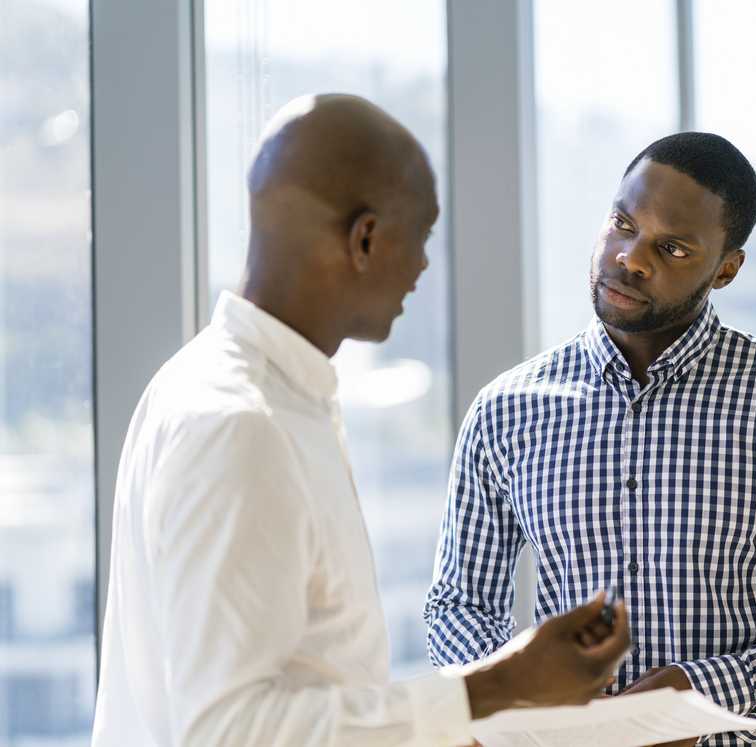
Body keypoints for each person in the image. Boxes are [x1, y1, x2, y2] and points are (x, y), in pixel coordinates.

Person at [91, 93, 630, 747]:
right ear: (366, 238)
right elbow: (229, 731)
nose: (424, 267)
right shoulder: (242, 425)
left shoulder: (232, 391)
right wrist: (495, 687)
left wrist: (499, 694)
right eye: (421, 238)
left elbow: (306, 691)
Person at [426, 133, 756, 746]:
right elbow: (458, 604)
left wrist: (699, 697)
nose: (631, 258)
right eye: (621, 224)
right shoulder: (506, 409)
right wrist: (530, 699)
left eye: (673, 247)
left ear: (726, 268)